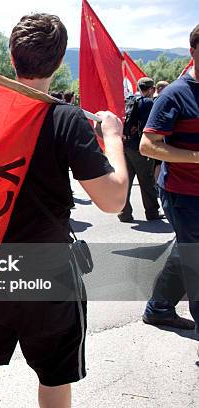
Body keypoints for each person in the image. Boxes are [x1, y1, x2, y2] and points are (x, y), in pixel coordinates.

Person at [0, 14, 128, 408]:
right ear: (60, 62)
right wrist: (113, 138)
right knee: (55, 377)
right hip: (48, 269)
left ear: (12, 56)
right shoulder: (66, 118)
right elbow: (113, 201)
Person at [141, 25, 199, 343]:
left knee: (187, 250)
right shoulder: (176, 93)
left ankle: (160, 308)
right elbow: (148, 145)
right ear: (192, 51)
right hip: (183, 194)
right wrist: (195, 157)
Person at [118, 77, 164, 223]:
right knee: (147, 181)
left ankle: (124, 212)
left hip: (126, 145)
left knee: (127, 180)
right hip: (141, 147)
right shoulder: (150, 103)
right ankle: (151, 212)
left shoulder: (130, 101)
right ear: (151, 89)